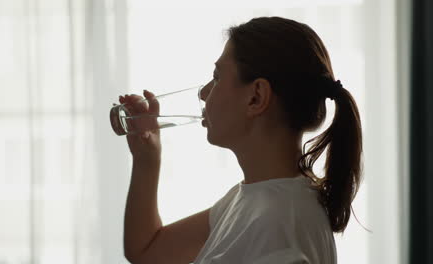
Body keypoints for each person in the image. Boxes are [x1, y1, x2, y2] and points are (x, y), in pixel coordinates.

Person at [121, 16, 363, 264]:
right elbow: (147, 250)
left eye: (216, 77)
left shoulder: (277, 225)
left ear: (256, 97)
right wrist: (146, 158)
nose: (203, 93)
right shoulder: (251, 198)